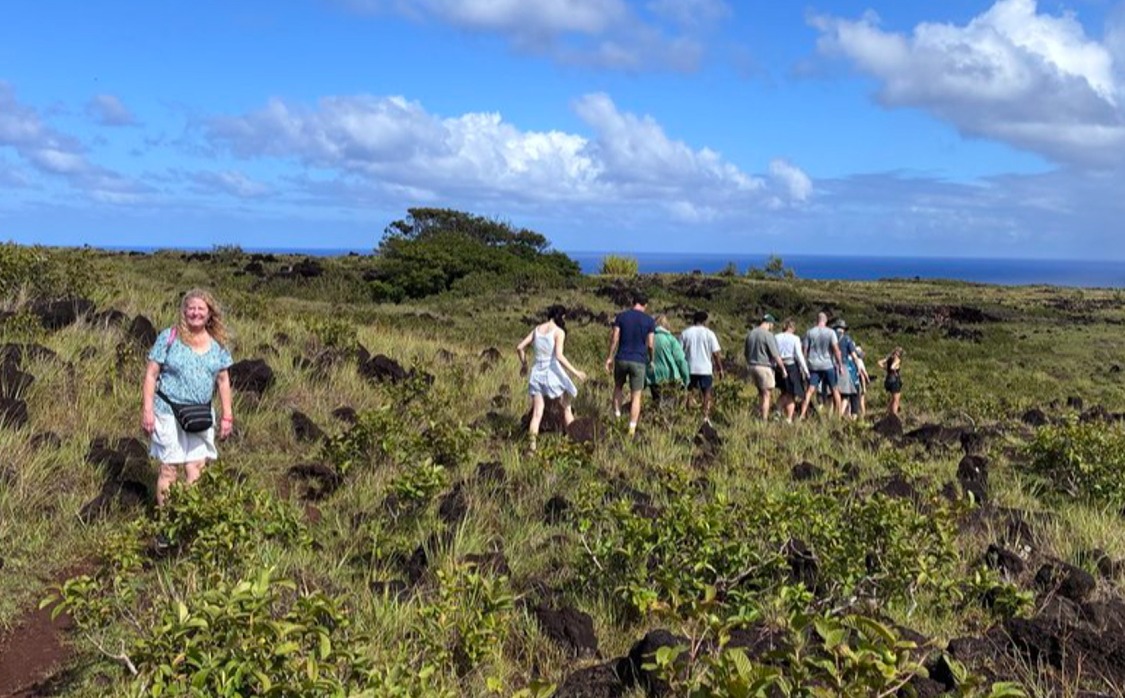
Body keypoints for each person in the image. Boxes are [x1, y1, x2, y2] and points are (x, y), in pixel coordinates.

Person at [142, 289, 234, 506]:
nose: (195, 313)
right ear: (184, 311)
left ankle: (189, 518)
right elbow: (151, 374)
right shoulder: (169, 336)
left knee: (197, 467)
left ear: (209, 313)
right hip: (167, 412)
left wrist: (227, 415)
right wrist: (147, 410)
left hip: (200, 414)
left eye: (201, 309)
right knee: (169, 468)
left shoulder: (218, 344)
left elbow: (223, 380)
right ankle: (167, 523)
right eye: (191, 308)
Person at [516, 305, 587, 452]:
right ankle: (574, 443)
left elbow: (520, 347)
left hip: (536, 373)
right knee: (566, 408)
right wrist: (576, 372)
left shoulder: (537, 330)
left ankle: (532, 448)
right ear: (560, 317)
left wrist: (524, 364)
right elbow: (559, 356)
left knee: (537, 413)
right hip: (552, 373)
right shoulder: (559, 332)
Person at [605, 292, 656, 437]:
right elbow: (651, 344)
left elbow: (614, 338)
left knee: (618, 388)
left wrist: (609, 357)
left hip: (621, 358)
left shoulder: (621, 316)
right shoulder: (649, 320)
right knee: (636, 396)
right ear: (645, 305)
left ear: (633, 302)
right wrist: (651, 359)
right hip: (638, 361)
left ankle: (617, 418)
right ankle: (631, 429)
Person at [680, 310, 723, 423]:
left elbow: (679, 352)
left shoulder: (685, 333)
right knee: (706, 393)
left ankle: (688, 414)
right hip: (705, 368)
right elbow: (716, 353)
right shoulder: (709, 334)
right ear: (704, 321)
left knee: (690, 392)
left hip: (690, 367)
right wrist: (720, 368)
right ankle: (705, 417)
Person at [800, 312, 844, 418]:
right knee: (834, 389)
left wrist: (804, 365)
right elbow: (836, 350)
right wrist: (840, 364)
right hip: (827, 364)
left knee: (810, 390)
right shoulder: (830, 332)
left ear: (817, 320)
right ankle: (838, 416)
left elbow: (804, 350)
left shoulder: (809, 332)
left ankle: (802, 415)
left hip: (813, 365)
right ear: (826, 321)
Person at [744, 314, 786, 420]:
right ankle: (764, 419)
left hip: (752, 366)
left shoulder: (751, 334)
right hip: (764, 366)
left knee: (760, 393)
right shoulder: (767, 335)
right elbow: (775, 355)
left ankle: (759, 415)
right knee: (767, 395)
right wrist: (783, 369)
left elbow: (746, 353)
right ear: (769, 323)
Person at [646, 315, 689, 407]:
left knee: (657, 402)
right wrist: (686, 379)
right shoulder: (670, 339)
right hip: (670, 377)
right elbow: (681, 360)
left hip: (653, 376)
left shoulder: (648, 339)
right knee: (669, 405)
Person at [775, 318, 809, 424]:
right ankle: (788, 418)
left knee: (784, 391)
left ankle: (778, 411)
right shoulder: (795, 338)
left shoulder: (776, 337)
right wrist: (805, 370)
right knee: (792, 393)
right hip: (791, 366)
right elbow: (799, 355)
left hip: (779, 366)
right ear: (792, 328)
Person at [834, 320, 860, 419]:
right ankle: (839, 415)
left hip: (831, 366)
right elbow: (854, 355)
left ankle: (830, 415)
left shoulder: (832, 337)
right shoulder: (846, 339)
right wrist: (858, 366)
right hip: (843, 367)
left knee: (832, 394)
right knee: (846, 394)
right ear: (844, 329)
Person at [878, 347, 904, 416]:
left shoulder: (889, 358)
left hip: (888, 379)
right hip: (895, 380)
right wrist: (894, 371)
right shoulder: (897, 360)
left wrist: (886, 369)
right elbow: (892, 367)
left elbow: (879, 362)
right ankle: (894, 415)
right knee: (896, 400)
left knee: (893, 399)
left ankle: (887, 412)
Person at [854, 345, 871, 417]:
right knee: (861, 400)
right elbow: (863, 373)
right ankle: (863, 415)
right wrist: (868, 380)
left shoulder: (851, 360)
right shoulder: (860, 361)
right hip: (859, 382)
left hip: (851, 382)